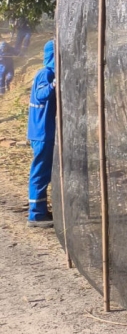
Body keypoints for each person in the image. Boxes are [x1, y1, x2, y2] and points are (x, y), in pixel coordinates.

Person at [26, 40, 56, 228]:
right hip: (42, 133)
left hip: (44, 132)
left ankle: (41, 209)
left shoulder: (48, 72)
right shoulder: (46, 73)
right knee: (39, 173)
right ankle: (36, 215)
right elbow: (42, 94)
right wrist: (54, 85)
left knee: (44, 172)